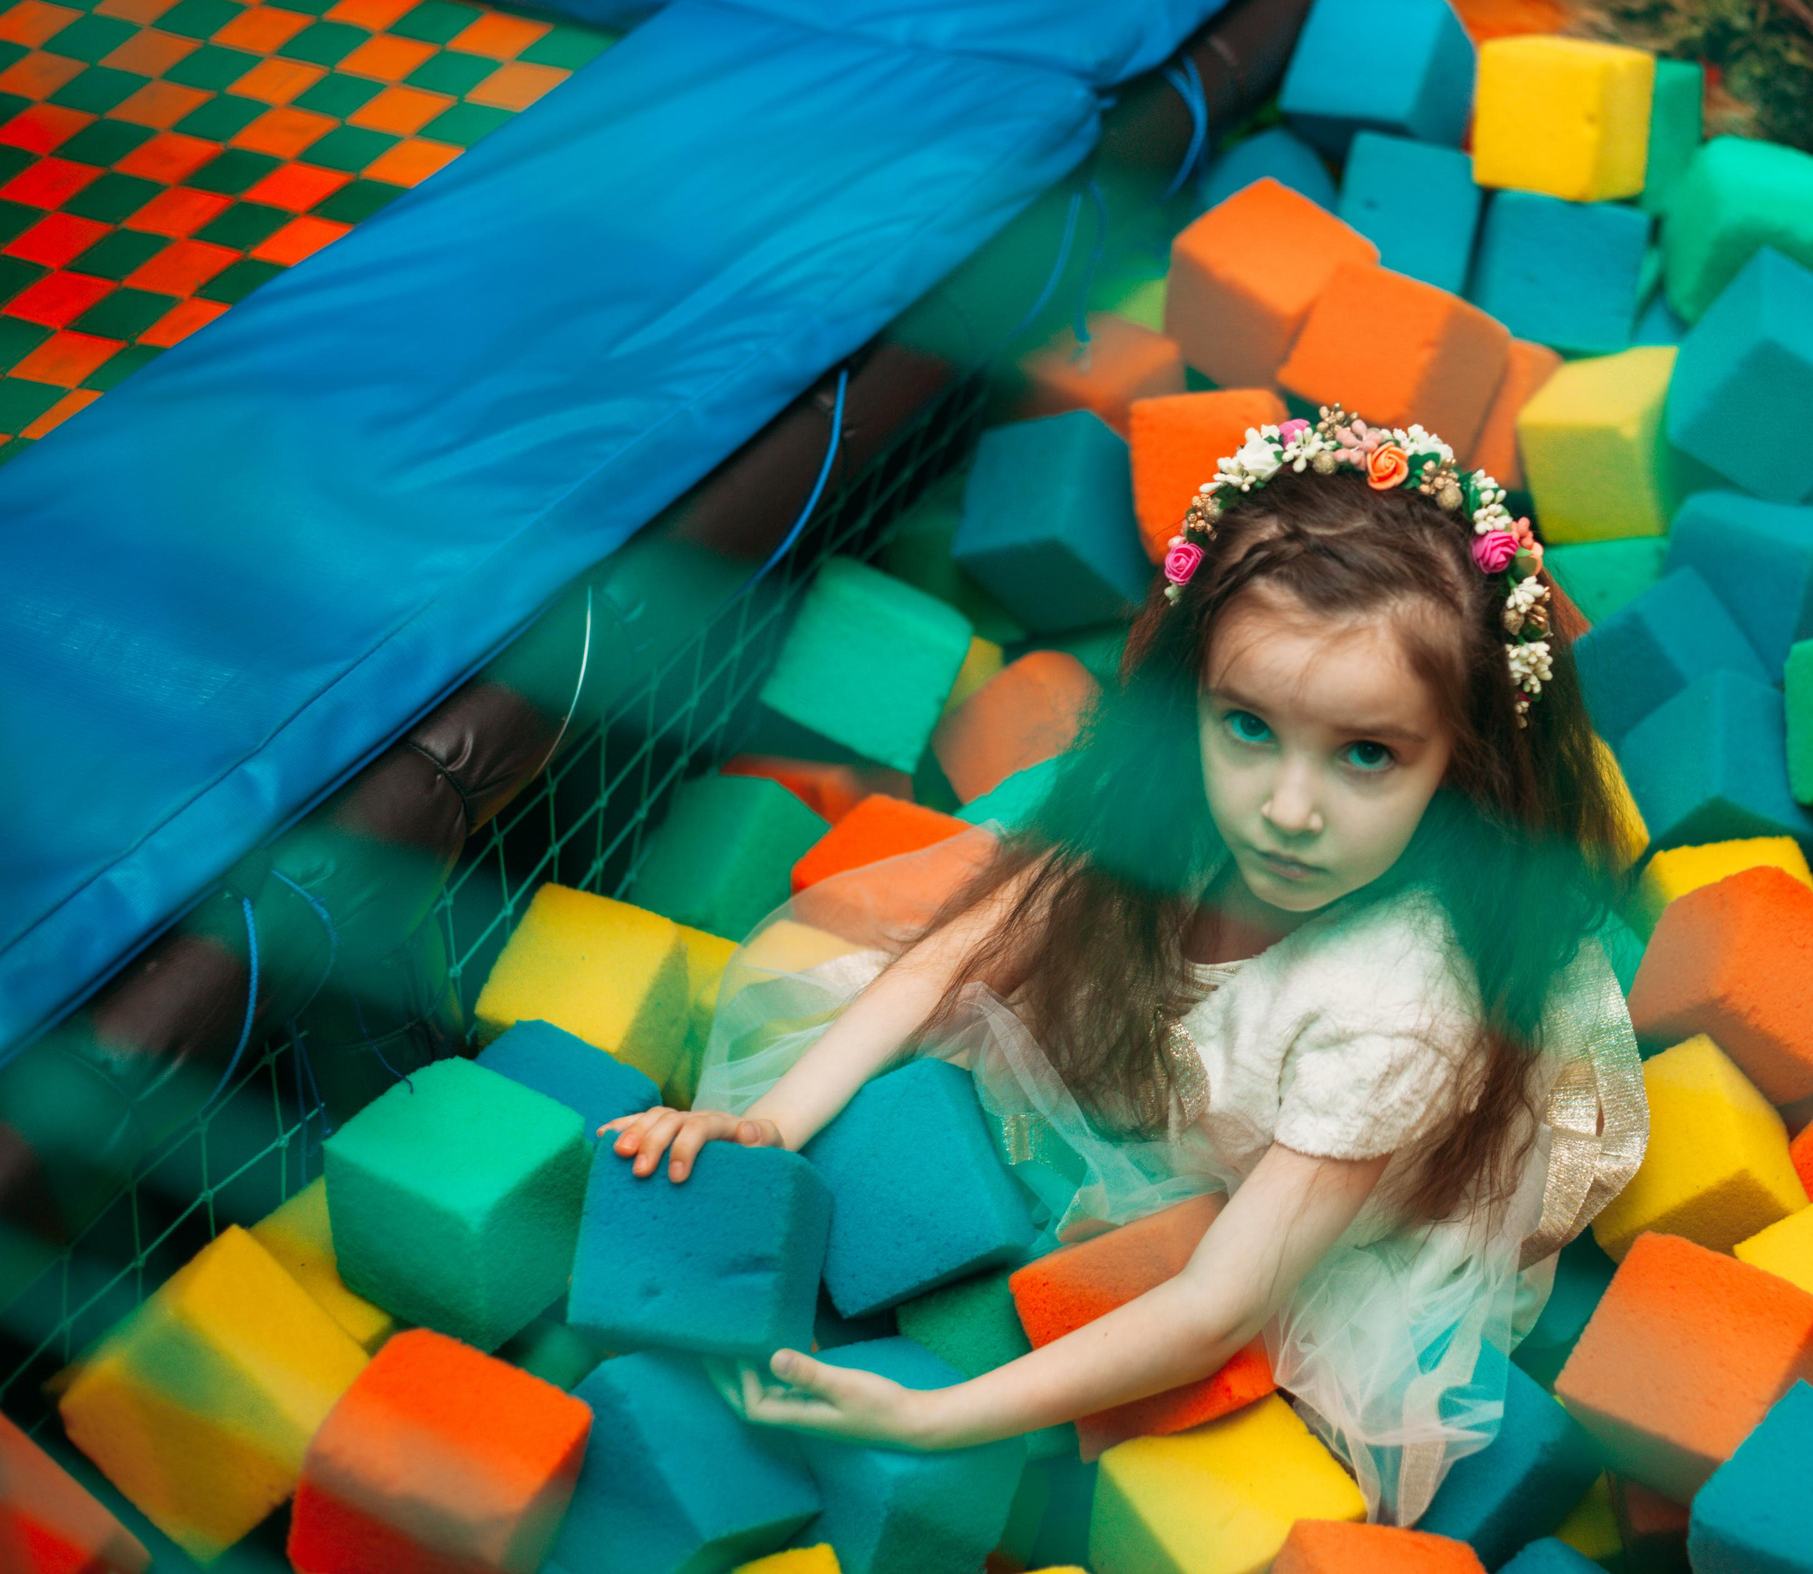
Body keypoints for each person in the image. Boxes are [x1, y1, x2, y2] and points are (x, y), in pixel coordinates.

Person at [599, 407, 1647, 1524]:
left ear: (1457, 764)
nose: (1287, 812)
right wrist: (773, 1124)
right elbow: (954, 955)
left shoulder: (1401, 1006)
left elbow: (1216, 1307)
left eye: (1367, 755)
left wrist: (941, 1416)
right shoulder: (1190, 805)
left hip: (1315, 1159)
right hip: (1207, 1033)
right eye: (1246, 725)